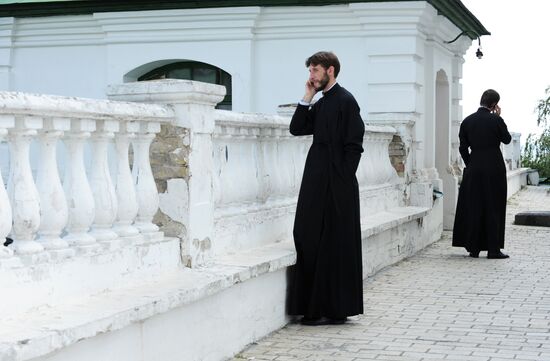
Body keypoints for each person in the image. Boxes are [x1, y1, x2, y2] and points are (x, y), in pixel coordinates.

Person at [287, 51, 365, 325]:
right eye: (310, 70)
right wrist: (306, 97)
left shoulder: (346, 101)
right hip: (315, 179)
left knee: (336, 243)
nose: (311, 75)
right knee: (307, 234)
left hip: (338, 183)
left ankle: (335, 309)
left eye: (315, 70)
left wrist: (342, 178)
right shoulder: (320, 103)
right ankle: (312, 306)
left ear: (330, 70)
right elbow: (296, 128)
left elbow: (355, 144)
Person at [452, 89, 512, 259]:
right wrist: (499, 117)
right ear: (494, 105)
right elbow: (506, 139)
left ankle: (474, 248)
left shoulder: (467, 121)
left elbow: (463, 148)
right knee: (493, 206)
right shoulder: (495, 120)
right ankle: (493, 249)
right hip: (494, 167)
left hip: (474, 167)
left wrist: (471, 163)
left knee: (474, 205)